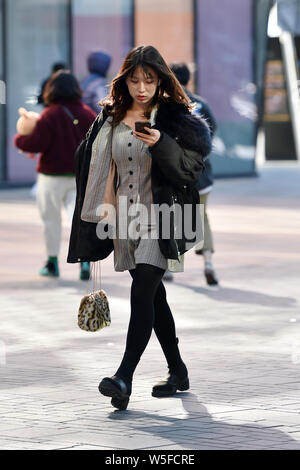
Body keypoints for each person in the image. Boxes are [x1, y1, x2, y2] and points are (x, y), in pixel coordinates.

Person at [67, 45, 212, 410]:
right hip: (124, 221)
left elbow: (190, 170)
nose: (141, 87)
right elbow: (88, 162)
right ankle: (177, 370)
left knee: (145, 286)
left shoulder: (176, 119)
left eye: (149, 80)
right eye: (134, 80)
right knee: (152, 294)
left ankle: (123, 377)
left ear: (161, 80)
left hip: (163, 217)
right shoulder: (111, 118)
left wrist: (162, 143)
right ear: (125, 81)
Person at [15, 70, 97, 280]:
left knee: (51, 221)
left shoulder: (50, 114)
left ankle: (52, 263)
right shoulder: (88, 114)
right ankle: (84, 261)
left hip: (51, 178)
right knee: (77, 221)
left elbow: (35, 143)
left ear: (52, 89)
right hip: (79, 177)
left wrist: (19, 139)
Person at [170, 62, 219, 286]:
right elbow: (212, 133)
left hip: (179, 175)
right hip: (203, 175)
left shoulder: (168, 106)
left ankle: (172, 267)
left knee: (178, 218)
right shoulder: (202, 105)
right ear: (189, 79)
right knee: (202, 217)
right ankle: (208, 262)